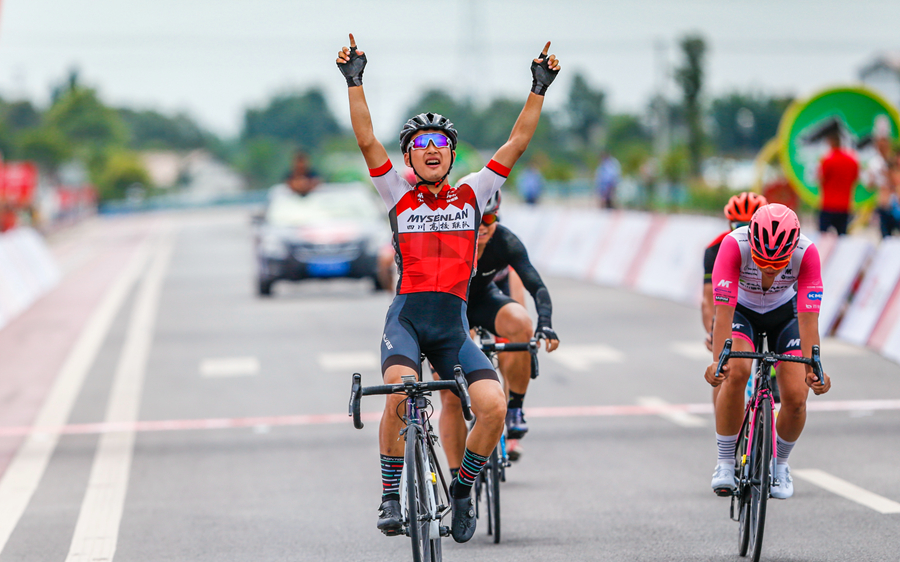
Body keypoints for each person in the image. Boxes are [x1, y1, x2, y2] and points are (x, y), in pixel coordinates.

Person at [336, 33, 560, 543]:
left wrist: (538, 88)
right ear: (409, 157)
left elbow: (517, 143)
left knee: (495, 406)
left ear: (453, 155)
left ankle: (462, 488)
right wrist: (355, 82)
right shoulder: (395, 191)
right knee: (397, 396)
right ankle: (391, 494)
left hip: (453, 326)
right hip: (409, 321)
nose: (432, 151)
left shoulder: (474, 193)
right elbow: (366, 138)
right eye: (421, 146)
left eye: (441, 145)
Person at [705, 203, 831, 500]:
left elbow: (808, 319)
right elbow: (722, 314)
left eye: (778, 264)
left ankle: (781, 464)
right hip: (742, 313)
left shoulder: (807, 252)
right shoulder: (734, 245)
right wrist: (717, 364)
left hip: (785, 316)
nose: (770, 270)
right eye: (763, 262)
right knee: (736, 373)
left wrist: (815, 367)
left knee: (797, 397)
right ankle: (724, 463)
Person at [436, 191, 559, 474]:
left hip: (484, 300)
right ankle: (458, 480)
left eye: (489, 219)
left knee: (521, 323)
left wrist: (546, 323)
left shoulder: (505, 240)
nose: (481, 226)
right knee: (450, 396)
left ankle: (515, 407)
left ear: (497, 219)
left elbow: (536, 285)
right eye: (476, 219)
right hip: (451, 305)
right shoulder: (448, 240)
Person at [701, 192, 768, 352]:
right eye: (738, 227)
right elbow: (708, 299)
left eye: (751, 226)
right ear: (729, 223)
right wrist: (712, 332)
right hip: (736, 305)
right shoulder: (714, 249)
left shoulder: (776, 246)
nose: (745, 233)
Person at [817, 129, 859, 235]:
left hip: (828, 204)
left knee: (823, 236)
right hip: (844, 205)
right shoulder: (852, 160)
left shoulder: (827, 160)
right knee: (842, 237)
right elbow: (855, 179)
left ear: (831, 142)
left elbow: (821, 179)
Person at [864, 134, 898, 238]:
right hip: (883, 204)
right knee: (886, 237)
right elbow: (869, 186)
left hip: (895, 203)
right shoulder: (874, 162)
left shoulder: (894, 160)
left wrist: (888, 175)